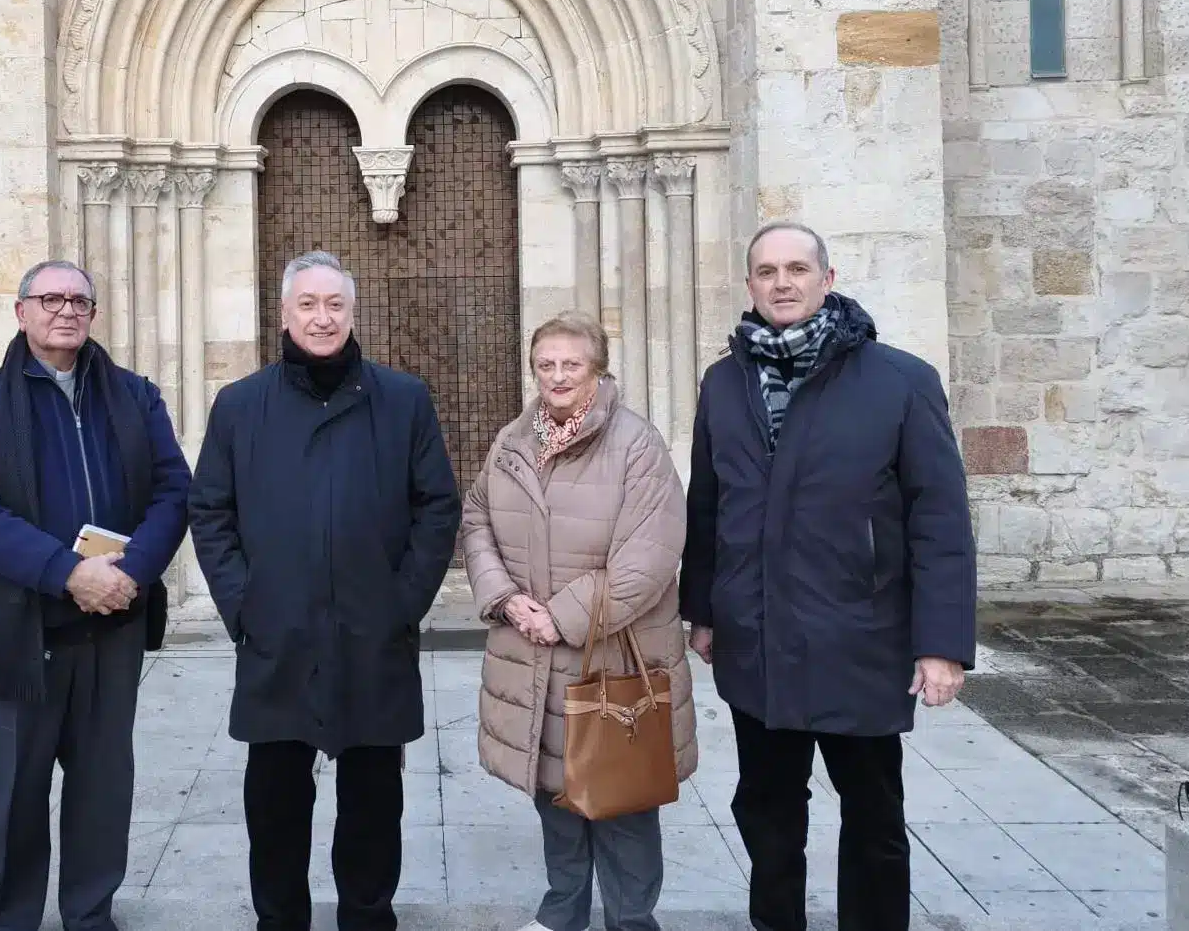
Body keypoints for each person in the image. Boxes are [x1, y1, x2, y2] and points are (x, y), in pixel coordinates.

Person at [679, 221, 977, 931]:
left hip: (860, 637)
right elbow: (708, 504)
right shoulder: (724, 383)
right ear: (749, 285)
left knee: (873, 816)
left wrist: (941, 645)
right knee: (767, 809)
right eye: (766, 272)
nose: (782, 283)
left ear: (827, 279)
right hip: (757, 636)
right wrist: (705, 609)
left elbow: (939, 519)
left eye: (796, 269)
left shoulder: (900, 381)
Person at [186, 249, 463, 931]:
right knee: (276, 806)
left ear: (352, 312)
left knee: (373, 807)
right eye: (307, 304)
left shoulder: (403, 400)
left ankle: (367, 919)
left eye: (334, 305)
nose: (322, 318)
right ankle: (280, 922)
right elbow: (210, 510)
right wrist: (242, 605)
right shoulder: (240, 405)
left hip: (374, 638)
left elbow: (438, 507)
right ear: (283, 313)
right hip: (277, 639)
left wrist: (404, 601)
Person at [0, 259, 193, 931]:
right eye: (50, 298)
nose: (66, 310)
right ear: (21, 310)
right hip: (24, 631)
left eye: (80, 299)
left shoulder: (135, 397)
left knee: (102, 789)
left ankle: (91, 915)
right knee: (20, 792)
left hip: (113, 626)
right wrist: (68, 572)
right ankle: (11, 920)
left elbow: (174, 492)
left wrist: (130, 571)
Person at [460, 310, 697, 931]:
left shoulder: (636, 445)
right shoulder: (513, 441)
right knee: (556, 797)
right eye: (546, 364)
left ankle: (631, 920)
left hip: (614, 660)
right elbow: (477, 519)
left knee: (622, 801)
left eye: (572, 363)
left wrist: (559, 617)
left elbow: (649, 555)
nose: (557, 376)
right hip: (534, 661)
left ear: (597, 370)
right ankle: (563, 911)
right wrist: (506, 599)